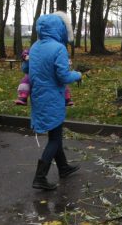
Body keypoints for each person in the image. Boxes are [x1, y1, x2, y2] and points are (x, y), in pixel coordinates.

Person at [24, 13, 82, 190]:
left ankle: (63, 167)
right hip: (53, 98)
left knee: (55, 133)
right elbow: (63, 76)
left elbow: (25, 68)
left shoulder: (34, 47)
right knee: (55, 138)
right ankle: (40, 177)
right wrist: (78, 74)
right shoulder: (58, 48)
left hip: (38, 97)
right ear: (59, 28)